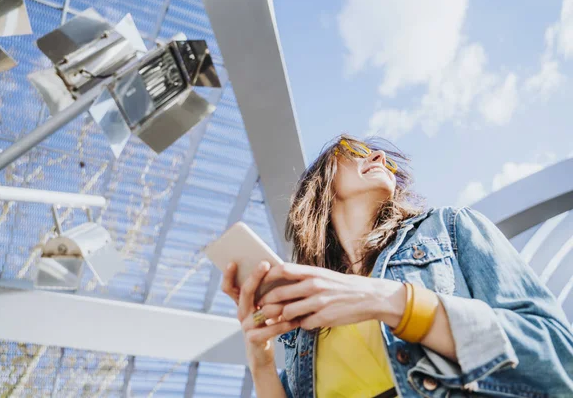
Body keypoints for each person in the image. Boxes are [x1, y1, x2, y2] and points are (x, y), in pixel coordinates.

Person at [221, 135, 573, 397]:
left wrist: (390, 301)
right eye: (355, 151)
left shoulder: (449, 230)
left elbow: (557, 360)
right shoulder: (303, 326)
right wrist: (262, 362)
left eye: (383, 158)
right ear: (321, 184)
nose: (378, 156)